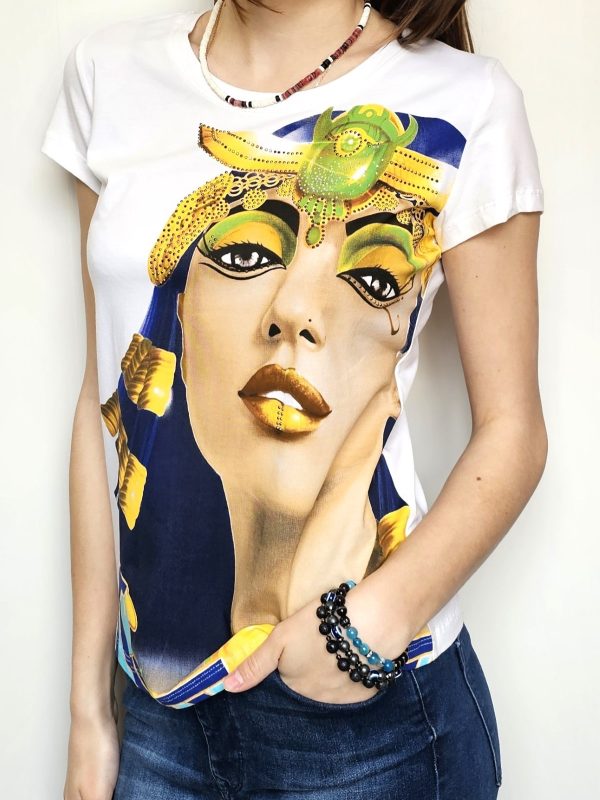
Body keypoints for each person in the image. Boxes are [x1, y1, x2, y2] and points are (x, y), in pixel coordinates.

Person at [41, 0, 547, 797]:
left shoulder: (471, 99)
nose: (293, 314)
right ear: (177, 319)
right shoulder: (108, 73)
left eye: (372, 276)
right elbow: (98, 401)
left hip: (376, 730)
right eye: (245, 255)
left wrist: (362, 633)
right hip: (157, 720)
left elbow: (514, 430)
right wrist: (89, 716)